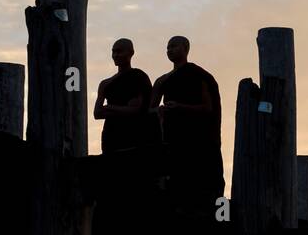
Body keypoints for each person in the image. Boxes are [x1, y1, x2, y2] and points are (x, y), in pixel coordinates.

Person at [150, 35, 223, 202]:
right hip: (172, 136)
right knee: (175, 181)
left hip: (197, 137)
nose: (169, 50)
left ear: (185, 48)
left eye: (174, 46)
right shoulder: (162, 80)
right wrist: (159, 111)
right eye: (167, 47)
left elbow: (208, 108)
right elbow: (151, 109)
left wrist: (180, 107)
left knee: (199, 182)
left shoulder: (199, 75)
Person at [93, 38, 154, 154]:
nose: (115, 55)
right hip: (111, 138)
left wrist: (110, 107)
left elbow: (140, 110)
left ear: (131, 53)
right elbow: (97, 113)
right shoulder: (105, 83)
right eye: (113, 52)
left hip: (135, 136)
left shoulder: (139, 76)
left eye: (119, 51)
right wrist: (126, 109)